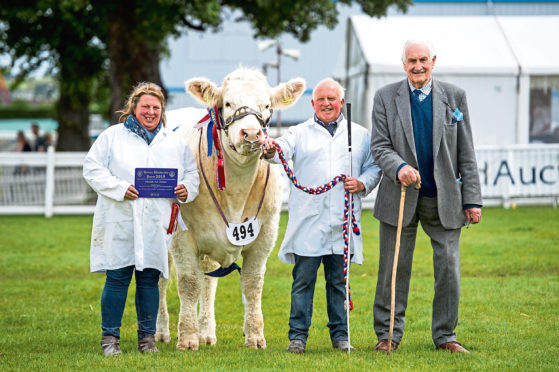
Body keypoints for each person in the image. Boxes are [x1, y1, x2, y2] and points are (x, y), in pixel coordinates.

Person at [370, 39, 482, 354]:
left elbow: (466, 151)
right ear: (403, 64)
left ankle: (446, 336)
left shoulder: (455, 97)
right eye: (411, 61)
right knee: (392, 269)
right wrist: (400, 167)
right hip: (399, 196)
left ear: (432, 60)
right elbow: (379, 146)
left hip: (444, 199)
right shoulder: (384, 97)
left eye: (422, 60)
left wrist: (472, 199)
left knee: (448, 268)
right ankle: (388, 335)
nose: (417, 66)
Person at [261, 78, 381, 353]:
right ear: (312, 103)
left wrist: (362, 183)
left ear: (341, 101)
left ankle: (341, 336)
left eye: (332, 98)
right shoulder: (298, 132)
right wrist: (270, 148)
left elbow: (374, 166)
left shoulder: (360, 134)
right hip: (308, 222)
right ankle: (297, 338)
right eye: (321, 99)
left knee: (339, 283)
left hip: (342, 221)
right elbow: (280, 150)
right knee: (303, 282)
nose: (326, 103)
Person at [83, 82, 200, 356]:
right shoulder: (113, 137)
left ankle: (147, 339)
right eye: (145, 106)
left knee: (149, 279)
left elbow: (192, 174)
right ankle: (110, 339)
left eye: (156, 107)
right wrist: (120, 188)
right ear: (133, 107)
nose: (150, 112)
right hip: (121, 218)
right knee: (117, 277)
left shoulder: (173, 142)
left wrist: (186, 189)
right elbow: (91, 168)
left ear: (162, 110)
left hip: (155, 222)